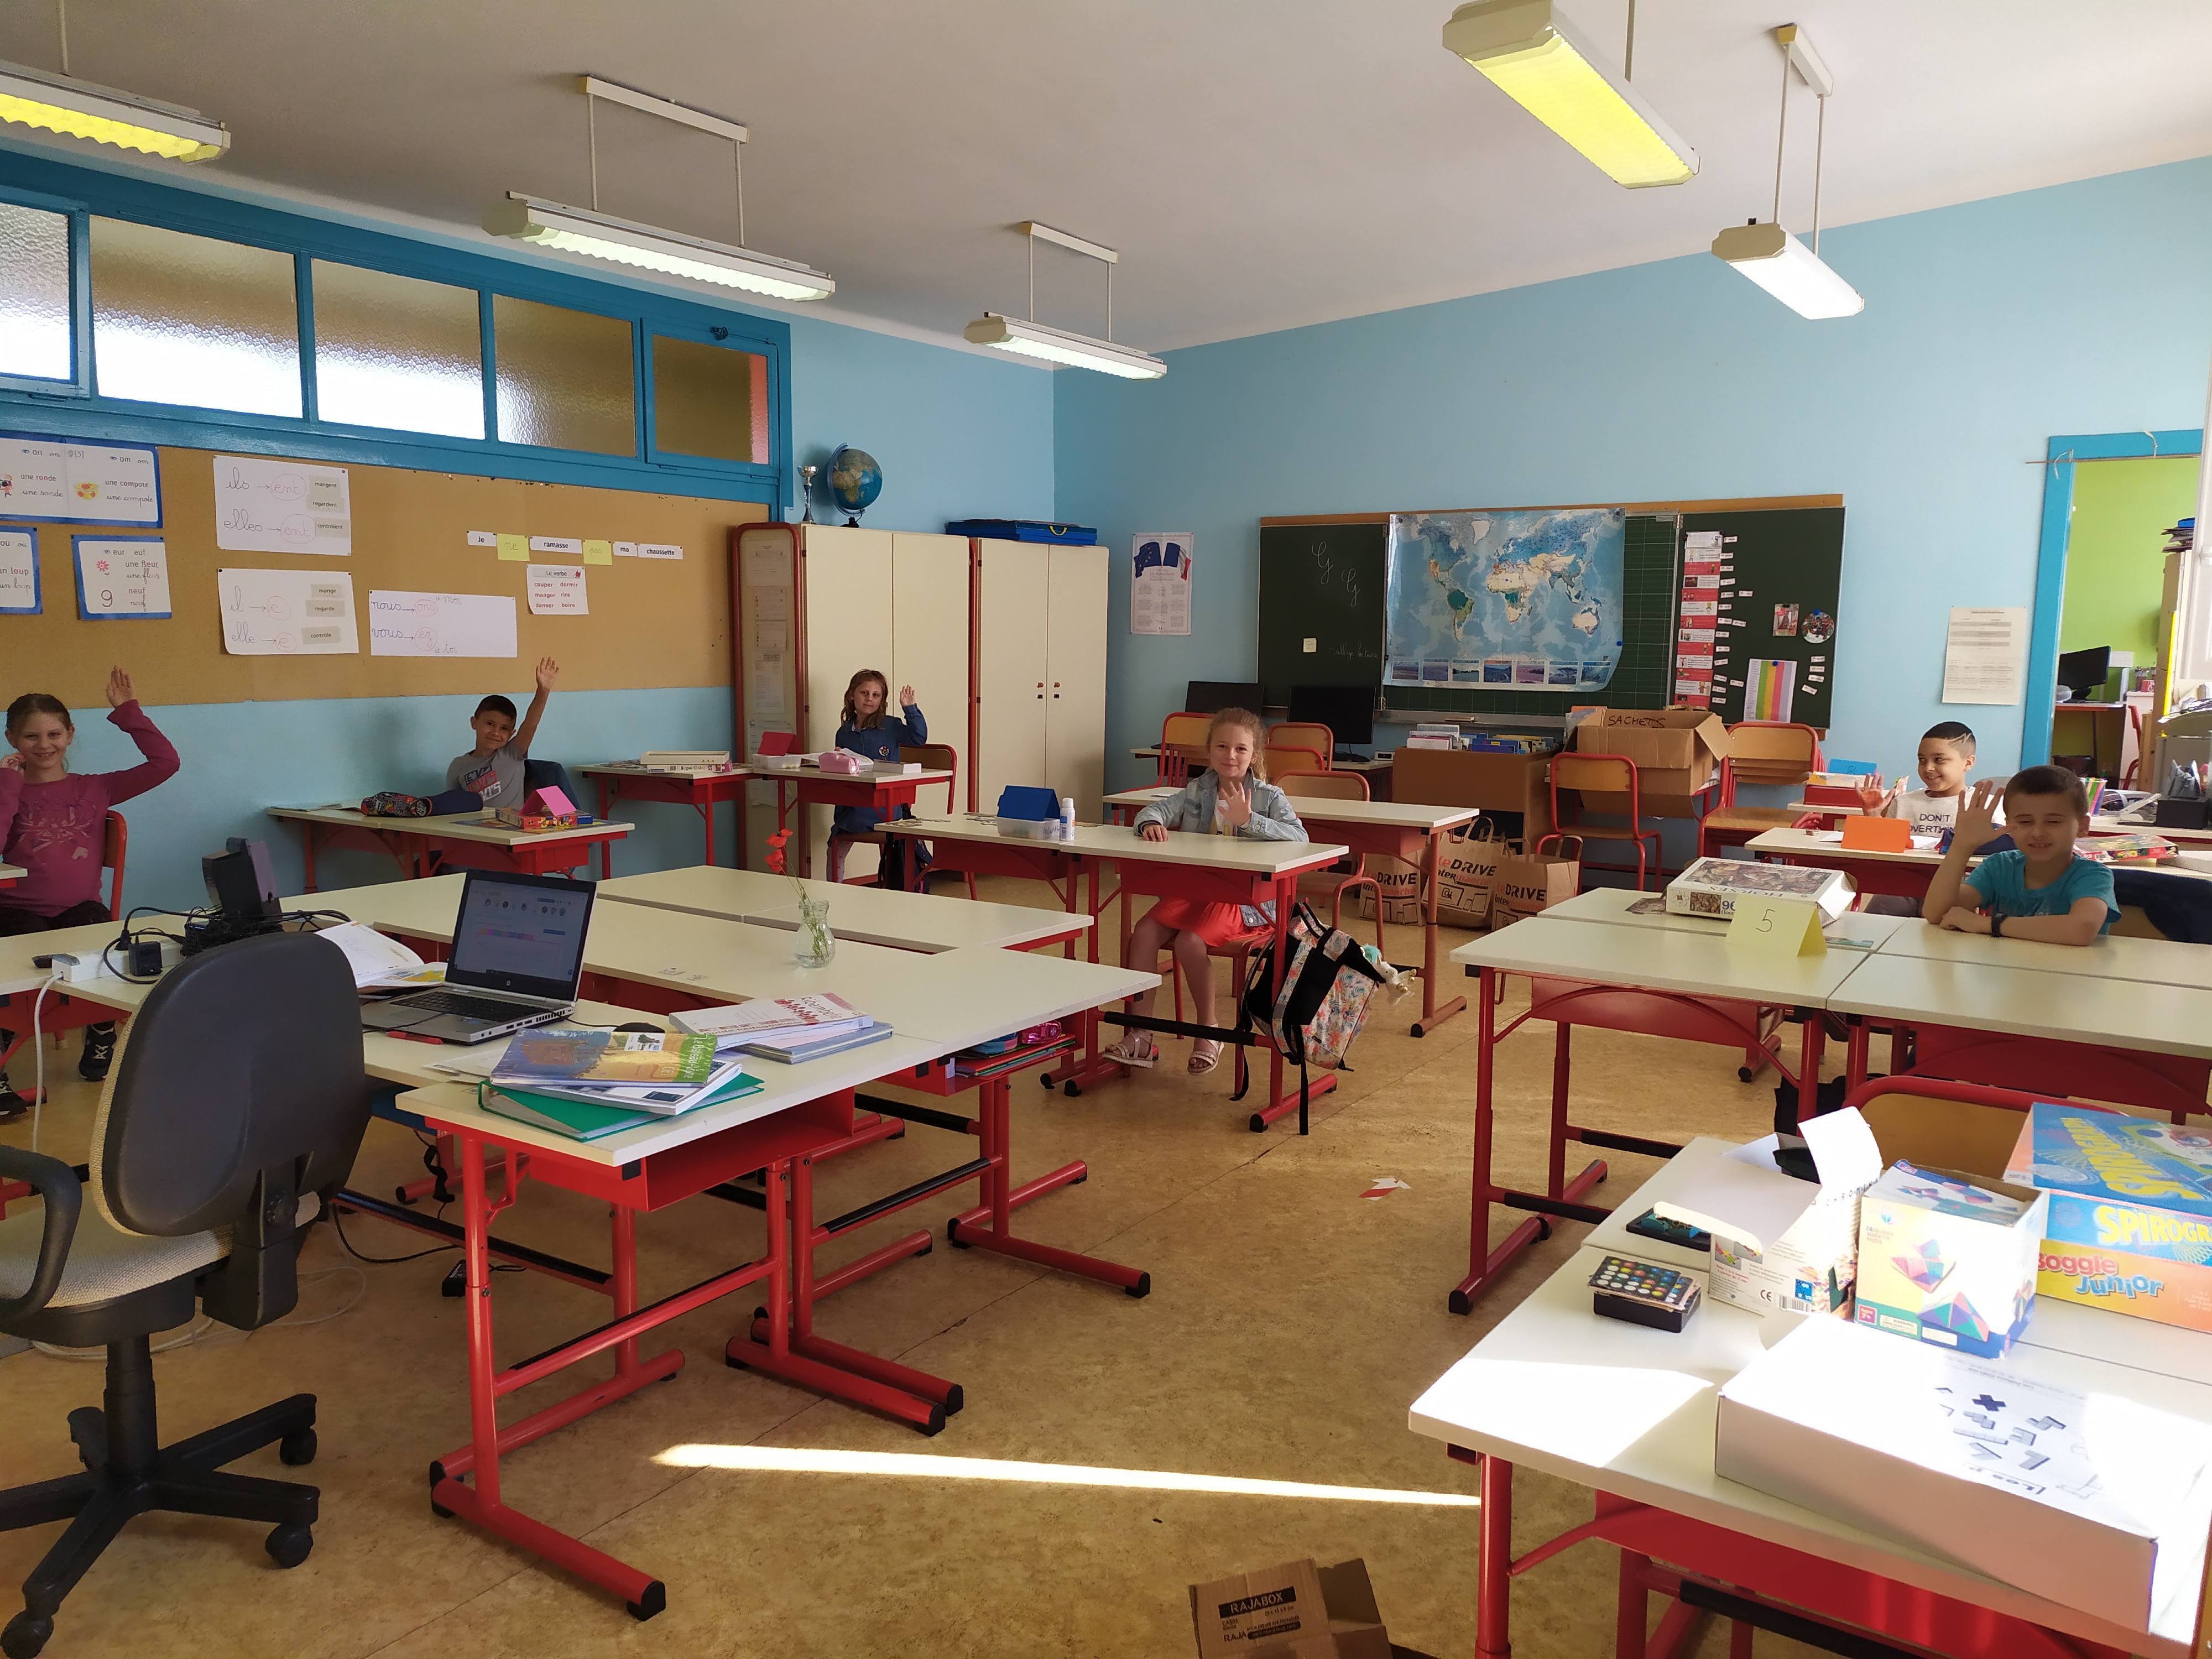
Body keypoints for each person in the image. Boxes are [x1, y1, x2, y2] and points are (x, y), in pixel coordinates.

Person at [0, 667, 180, 1116]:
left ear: (70, 734)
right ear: (12, 739)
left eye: (54, 734)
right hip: (15, 909)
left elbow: (166, 763)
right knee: (12, 966)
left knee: (103, 946)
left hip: (78, 907)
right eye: (31, 736)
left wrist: (128, 711)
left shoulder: (96, 787)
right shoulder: (7, 789)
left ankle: (100, 1032)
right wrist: (7, 786)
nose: (44, 745)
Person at [1100, 708, 1307, 1076]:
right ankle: (1141, 1035)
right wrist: (1150, 824)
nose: (1231, 756)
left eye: (1241, 749)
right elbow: (1155, 811)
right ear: (1210, 750)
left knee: (1189, 942)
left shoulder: (1269, 796)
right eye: (1222, 747)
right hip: (1196, 891)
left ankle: (1209, 1031)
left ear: (1254, 755)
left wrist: (1250, 821)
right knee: (1144, 933)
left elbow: (1301, 838)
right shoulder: (1198, 789)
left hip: (1246, 901)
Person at [1922, 768, 2116, 946]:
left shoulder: (2093, 875)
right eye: (2025, 822)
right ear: (2008, 825)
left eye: (2053, 822)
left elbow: (2082, 929)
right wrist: (1961, 845)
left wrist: (1987, 924)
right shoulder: (2000, 866)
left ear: (2083, 826)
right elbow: (1937, 914)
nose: (2037, 833)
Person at [833, 670, 928, 888]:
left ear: (882, 700)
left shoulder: (891, 726)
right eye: (864, 693)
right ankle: (835, 891)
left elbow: (918, 738)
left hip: (886, 809)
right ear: (852, 695)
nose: (870, 699)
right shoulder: (844, 732)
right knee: (835, 848)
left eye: (876, 695)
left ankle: (893, 889)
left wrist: (910, 709)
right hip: (854, 808)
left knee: (892, 850)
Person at [444, 656, 561, 811]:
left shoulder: (512, 753)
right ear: (474, 723)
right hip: (477, 825)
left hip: (512, 823)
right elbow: (451, 806)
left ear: (512, 733)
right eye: (490, 724)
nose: (496, 732)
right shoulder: (458, 766)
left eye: (504, 729)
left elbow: (531, 724)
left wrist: (543, 691)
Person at [1856, 721, 1996, 838]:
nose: (1928, 768)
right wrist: (1873, 817)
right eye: (1922, 760)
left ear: (1968, 763)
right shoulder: (1902, 804)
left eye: (1939, 760)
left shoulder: (1987, 806)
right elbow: (1883, 847)